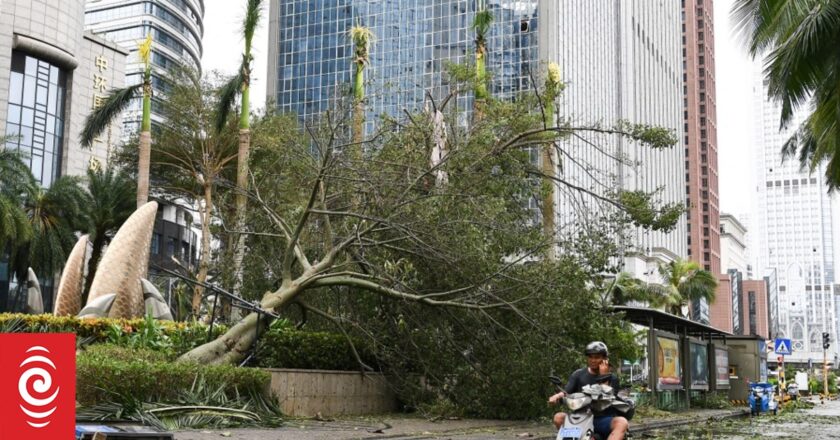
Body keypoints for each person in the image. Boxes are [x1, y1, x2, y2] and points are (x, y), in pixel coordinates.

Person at [548, 341, 629, 440]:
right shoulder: (578, 374)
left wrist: (604, 376)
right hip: (581, 417)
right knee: (558, 417)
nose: (593, 360)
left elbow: (607, 399)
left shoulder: (612, 378)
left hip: (601, 419)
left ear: (605, 359)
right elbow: (566, 392)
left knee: (621, 422)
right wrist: (556, 397)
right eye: (590, 357)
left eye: (597, 357)